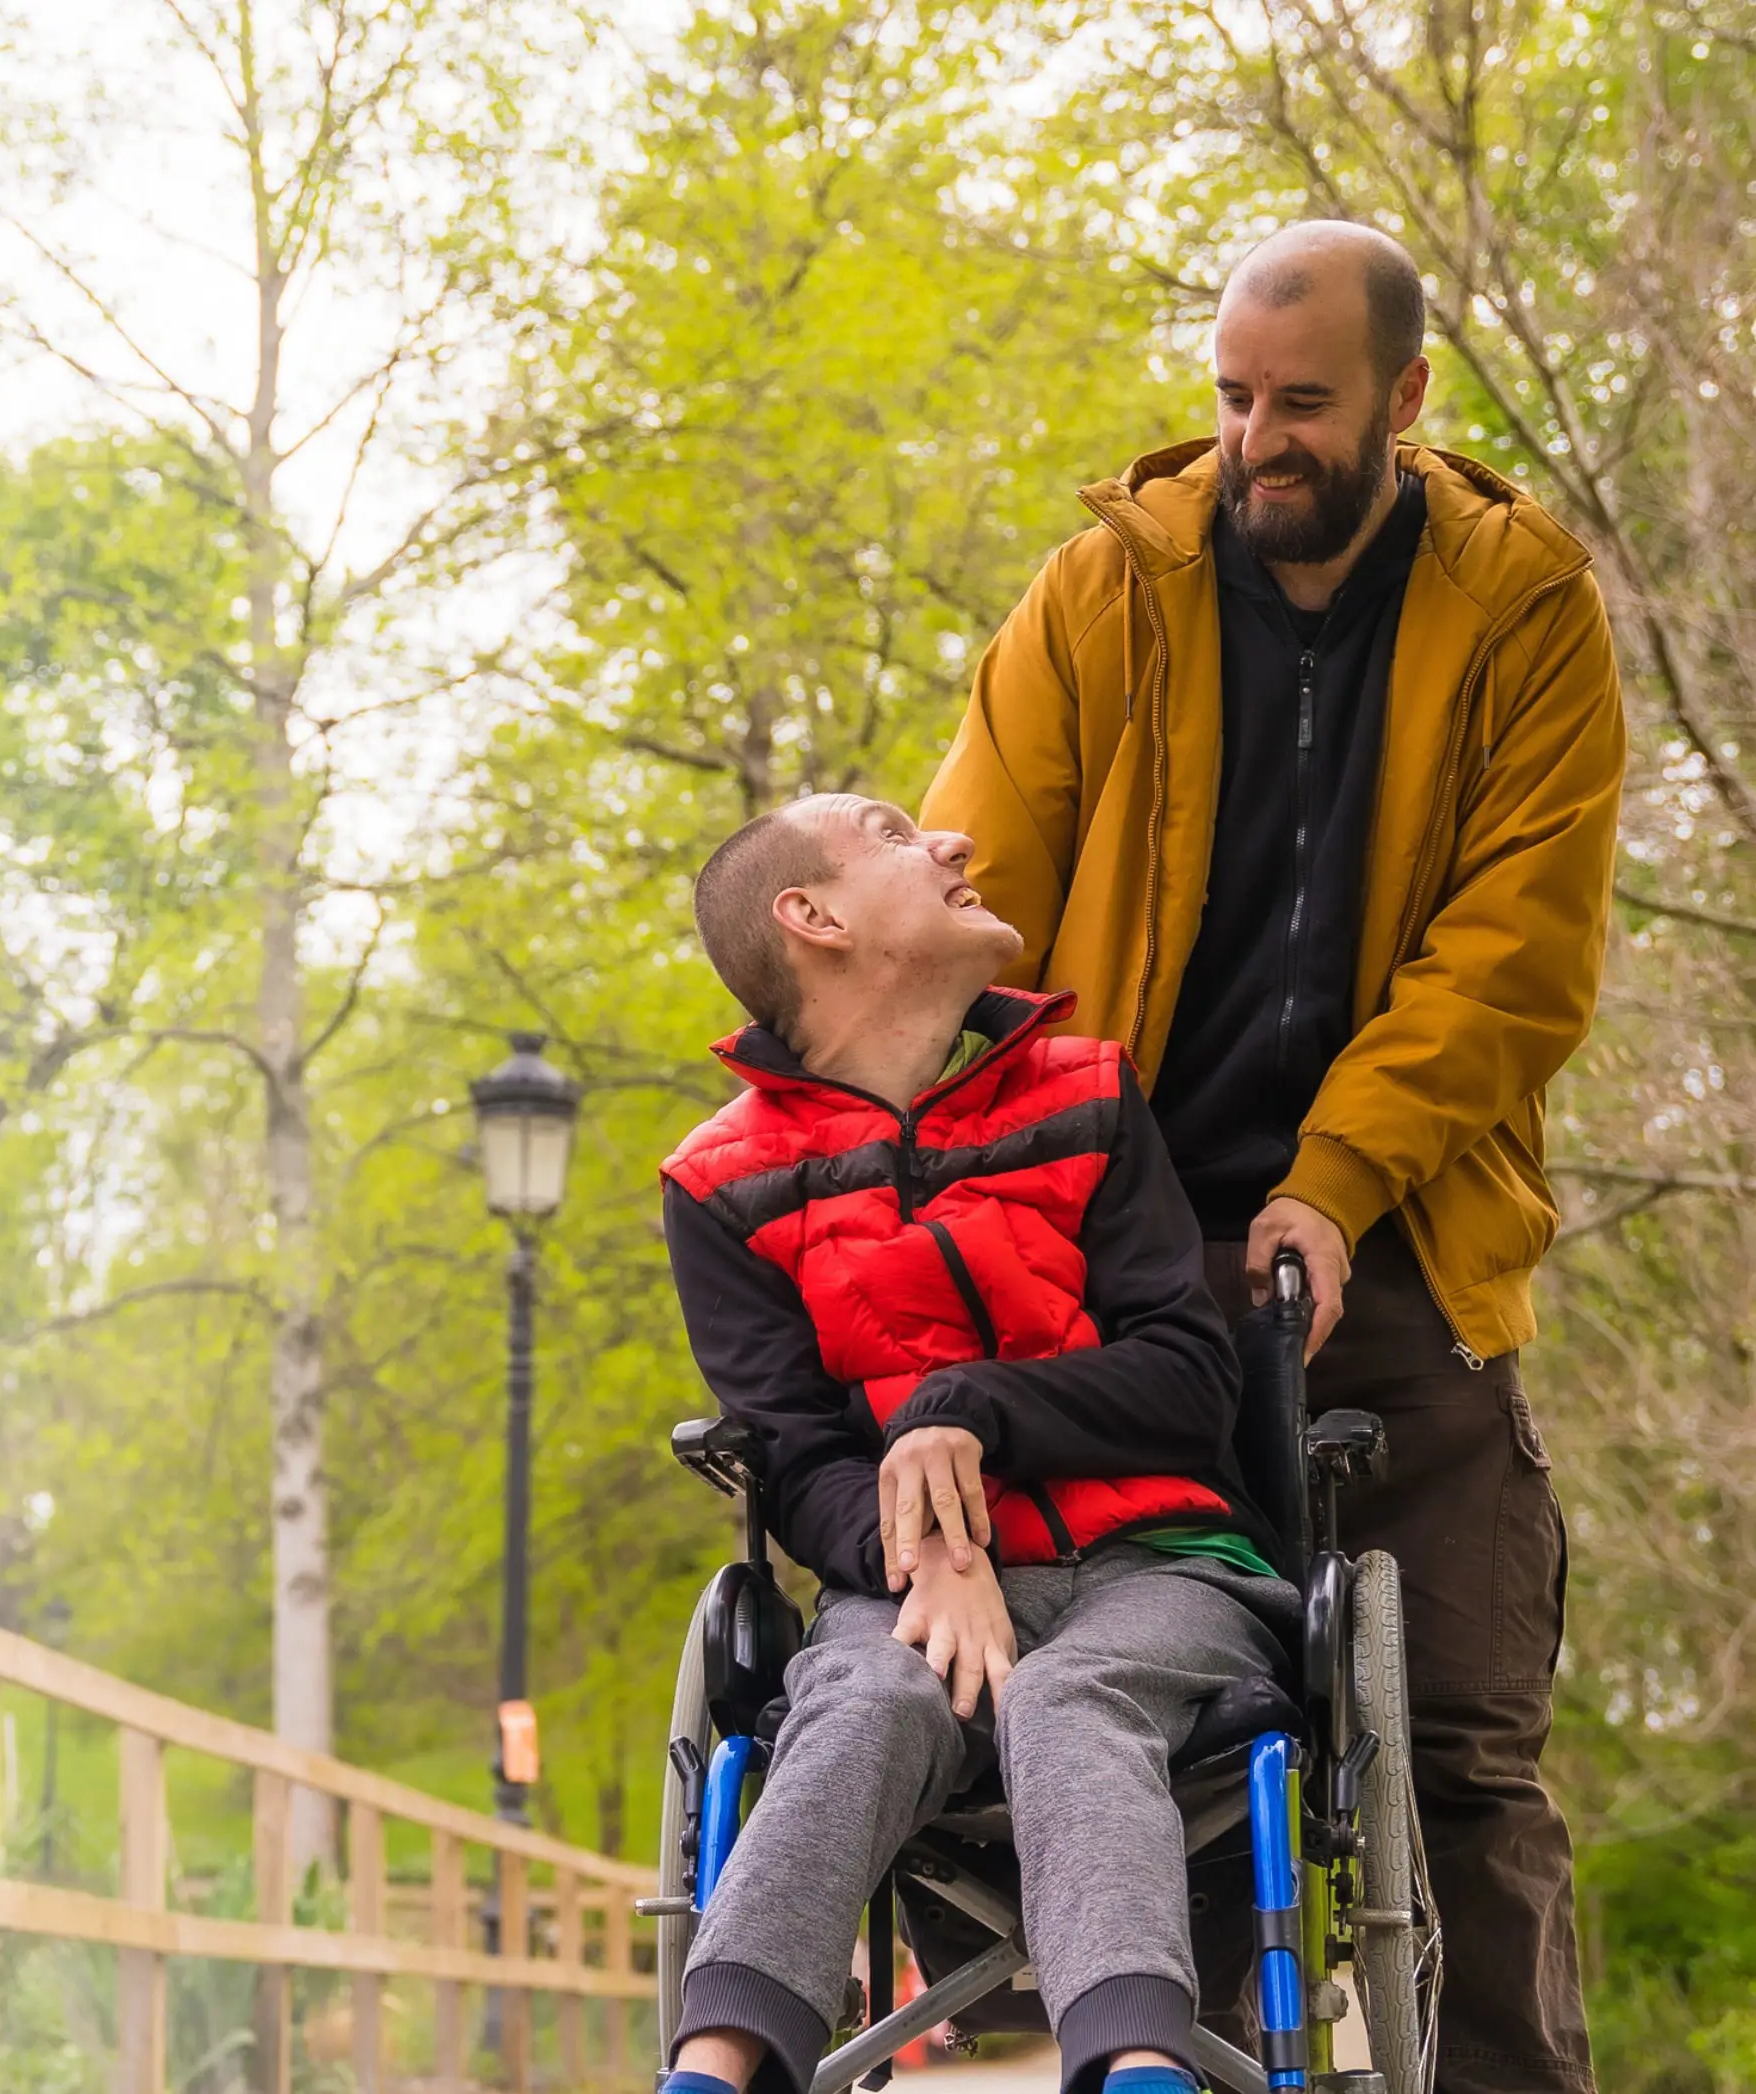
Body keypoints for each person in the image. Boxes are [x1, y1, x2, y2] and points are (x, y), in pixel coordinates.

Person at [920, 219, 1619, 2094]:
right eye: (1233, 400)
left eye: (1302, 404)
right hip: (1123, 1263)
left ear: (1405, 396)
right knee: (1172, 1734)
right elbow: (967, 935)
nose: (1258, 443)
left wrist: (1336, 1173)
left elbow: (1517, 960)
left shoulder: (1526, 609)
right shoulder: (1096, 603)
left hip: (1396, 1235)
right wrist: (1026, 1204)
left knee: (1464, 1748)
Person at [656, 792, 1290, 2094]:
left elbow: (1186, 1377)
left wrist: (968, 1411)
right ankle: (711, 2070)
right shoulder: (719, 1183)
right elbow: (794, 1458)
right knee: (861, 1695)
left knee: (1076, 1691)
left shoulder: (1087, 1094)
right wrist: (925, 1549)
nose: (951, 844)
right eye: (896, 833)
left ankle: (1135, 2069)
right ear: (812, 917)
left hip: (1159, 1562)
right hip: (906, 1604)